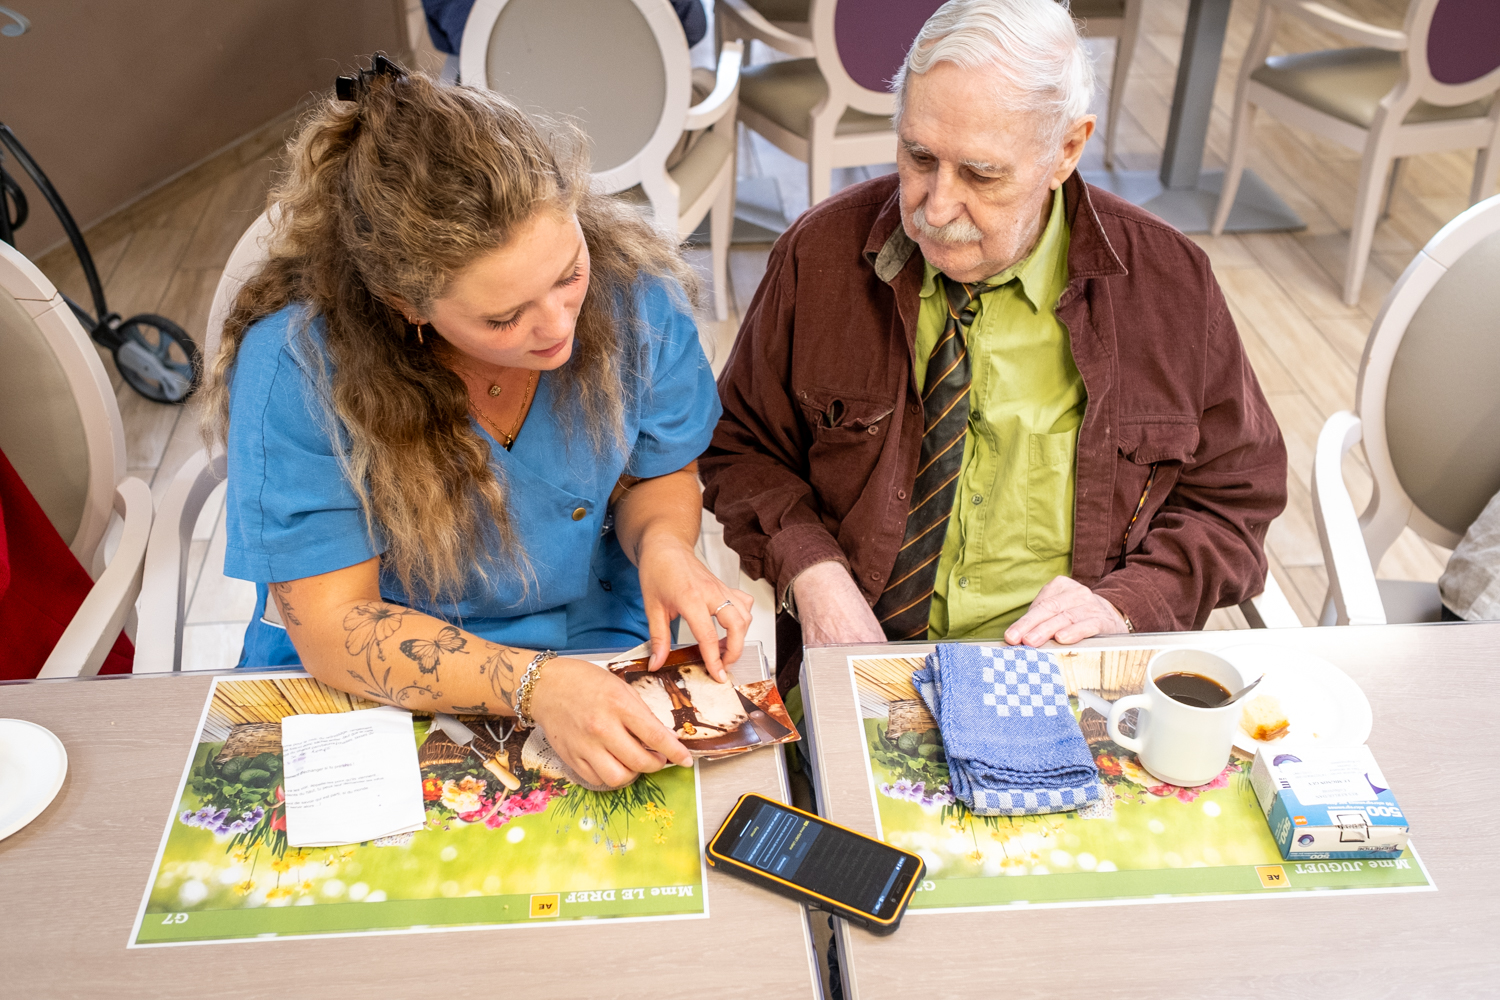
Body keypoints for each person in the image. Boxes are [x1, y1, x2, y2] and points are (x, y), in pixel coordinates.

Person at [700, 0, 1288, 692]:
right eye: (919, 157)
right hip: (862, 668)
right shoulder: (819, 254)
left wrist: (1123, 604)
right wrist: (814, 573)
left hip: (1072, 679)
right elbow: (740, 446)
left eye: (981, 175)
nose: (935, 206)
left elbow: (1233, 501)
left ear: (1066, 150)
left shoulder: (1170, 283)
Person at [204, 58, 751, 789]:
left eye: (568, 274)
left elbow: (657, 472)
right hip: (377, 679)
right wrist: (535, 686)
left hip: (591, 644)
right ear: (406, 304)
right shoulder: (299, 367)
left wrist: (664, 546)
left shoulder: (635, 297)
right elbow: (336, 626)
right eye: (504, 317)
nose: (558, 326)